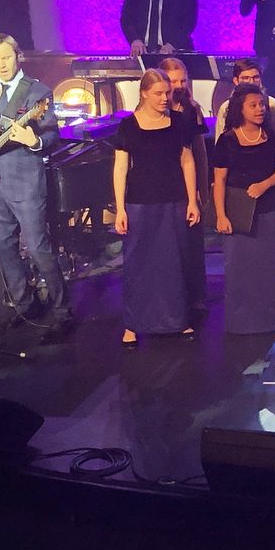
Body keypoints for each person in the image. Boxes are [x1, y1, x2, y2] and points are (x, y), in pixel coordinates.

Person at [0, 34, 69, 327]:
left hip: (25, 183)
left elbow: (52, 135)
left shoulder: (36, 92)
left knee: (37, 246)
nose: (1, 65)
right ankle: (24, 305)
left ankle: (61, 310)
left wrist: (33, 140)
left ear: (18, 55)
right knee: (4, 247)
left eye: (6, 58)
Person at [112, 69, 200, 346]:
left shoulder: (179, 122)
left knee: (174, 261)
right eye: (159, 93)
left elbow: (188, 161)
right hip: (140, 201)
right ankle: (134, 323)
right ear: (144, 94)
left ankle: (177, 319)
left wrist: (193, 200)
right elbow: (120, 168)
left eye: (168, 93)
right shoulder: (128, 126)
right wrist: (120, 208)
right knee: (139, 263)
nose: (165, 98)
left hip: (173, 200)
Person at [213, 83, 275, 334]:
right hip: (237, 213)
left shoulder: (274, 135)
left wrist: (264, 185)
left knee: (268, 267)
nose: (259, 110)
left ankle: (270, 319)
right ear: (240, 108)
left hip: (268, 209)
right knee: (239, 268)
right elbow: (220, 181)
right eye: (253, 105)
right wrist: (221, 215)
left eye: (262, 105)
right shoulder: (227, 140)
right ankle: (241, 321)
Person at [159, 58, 209, 316]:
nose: (179, 86)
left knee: (192, 242)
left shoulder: (192, 109)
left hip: (189, 185)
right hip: (164, 184)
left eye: (182, 80)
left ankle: (196, 296)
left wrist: (202, 187)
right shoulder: (152, 108)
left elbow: (199, 151)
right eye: (173, 80)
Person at [215, 58, 275, 139]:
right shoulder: (226, 108)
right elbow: (220, 143)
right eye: (246, 78)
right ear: (236, 80)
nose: (251, 82)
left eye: (256, 77)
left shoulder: (273, 105)